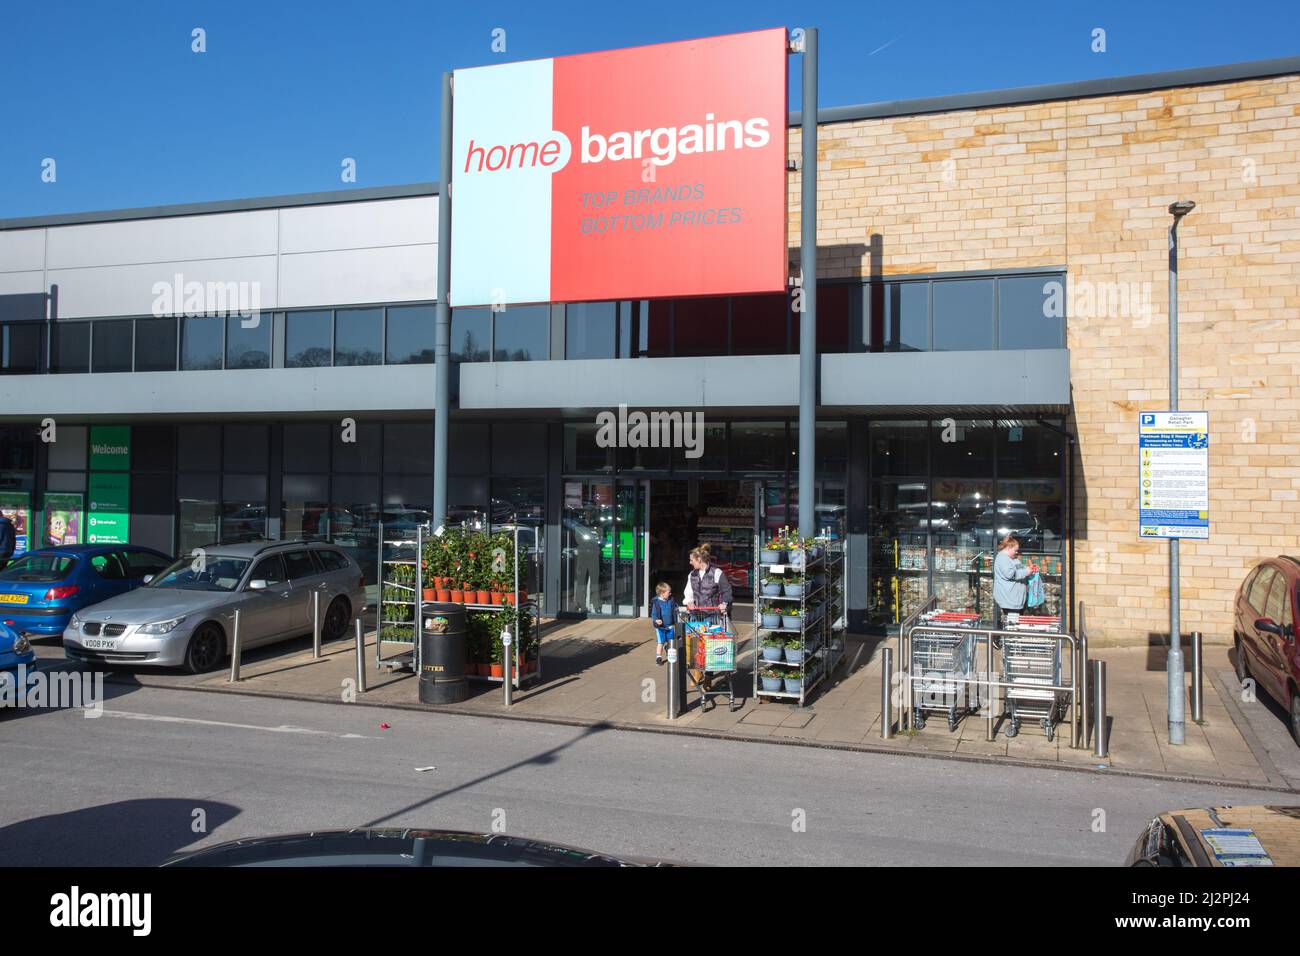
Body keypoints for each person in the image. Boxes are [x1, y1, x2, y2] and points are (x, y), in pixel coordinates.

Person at [993, 534, 1037, 627]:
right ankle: (1000, 640)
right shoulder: (1002, 558)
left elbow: (1020, 567)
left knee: (1014, 625)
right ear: (1009, 547)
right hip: (1009, 601)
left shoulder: (1012, 559)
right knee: (1011, 626)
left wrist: (1029, 569)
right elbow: (1010, 574)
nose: (1016, 552)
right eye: (1015, 550)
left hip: (1015, 601)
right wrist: (1026, 572)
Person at [650, 582, 676, 666]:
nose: (670, 594)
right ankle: (659, 657)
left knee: (670, 641)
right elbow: (653, 614)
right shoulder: (656, 602)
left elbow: (675, 609)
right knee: (660, 642)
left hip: (670, 625)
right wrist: (656, 620)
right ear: (662, 593)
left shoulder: (671, 600)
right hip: (660, 627)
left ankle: (668, 651)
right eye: (668, 592)